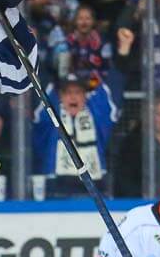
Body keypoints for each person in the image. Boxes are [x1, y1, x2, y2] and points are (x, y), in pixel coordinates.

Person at [33, 71, 117, 199]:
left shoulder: (96, 115)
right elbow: (41, 93)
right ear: (60, 96)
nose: (73, 97)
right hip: (56, 185)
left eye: (78, 92)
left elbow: (106, 95)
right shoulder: (50, 118)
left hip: (94, 183)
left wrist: (93, 75)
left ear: (85, 96)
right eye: (67, 93)